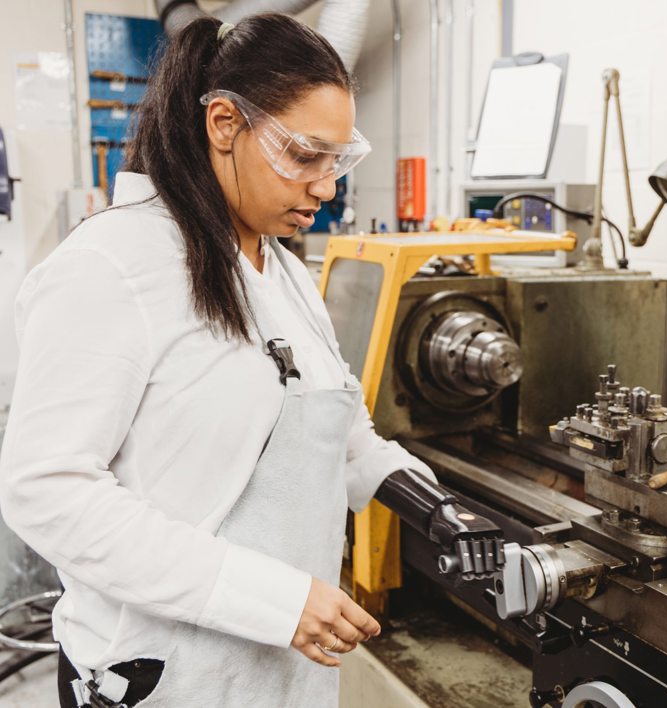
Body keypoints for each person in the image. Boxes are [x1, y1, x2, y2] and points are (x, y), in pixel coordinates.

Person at [0, 13, 503, 707]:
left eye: (338, 160)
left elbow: (340, 426)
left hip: (281, 671)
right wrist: (272, 598)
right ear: (224, 124)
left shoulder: (283, 273)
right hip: (165, 677)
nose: (326, 188)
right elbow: (46, 488)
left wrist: (433, 504)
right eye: (304, 156)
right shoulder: (111, 267)